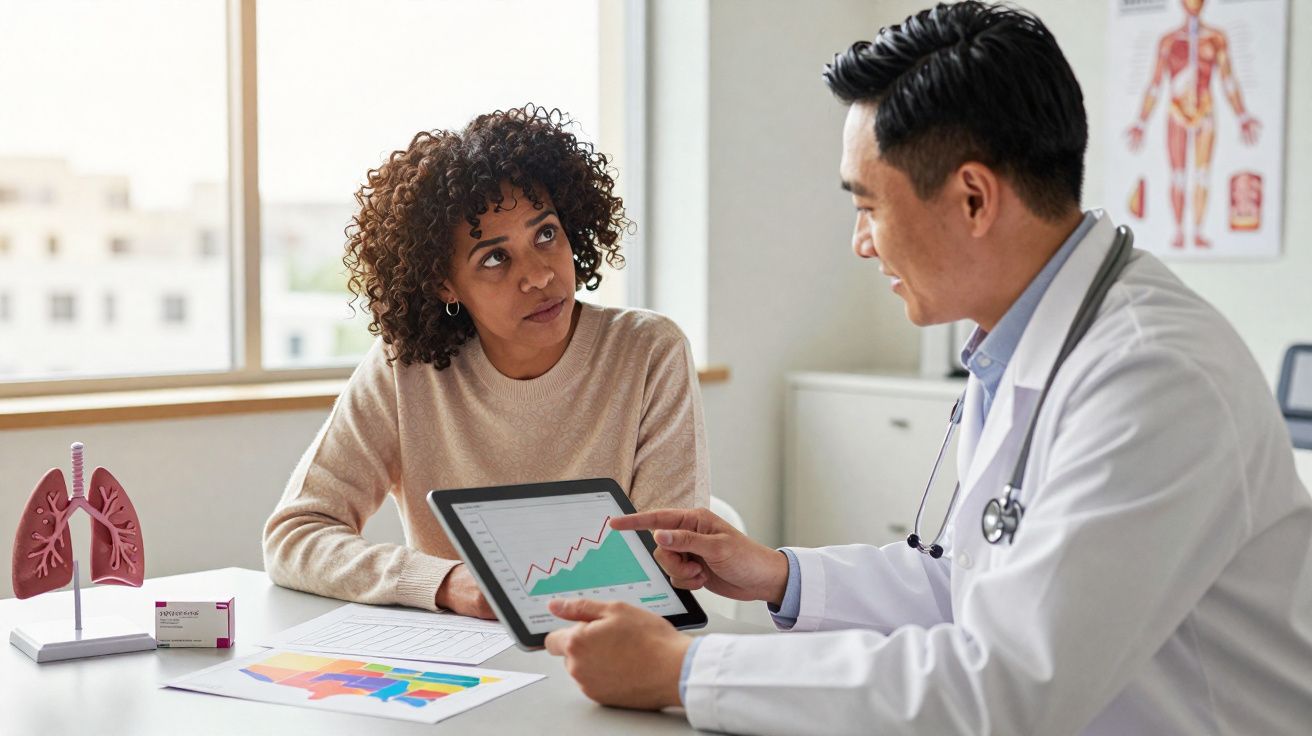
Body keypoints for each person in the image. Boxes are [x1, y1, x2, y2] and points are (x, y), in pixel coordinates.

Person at [542, 4, 1312, 733]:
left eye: (867, 206)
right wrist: (778, 574)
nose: (861, 242)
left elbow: (1004, 685)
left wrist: (683, 668)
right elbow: (973, 588)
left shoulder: (1152, 379)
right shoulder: (1023, 343)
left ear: (973, 198)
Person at [263, 105, 709, 619]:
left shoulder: (649, 352)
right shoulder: (406, 367)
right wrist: (448, 582)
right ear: (443, 283)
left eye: (546, 234)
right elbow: (296, 535)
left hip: (614, 644)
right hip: (463, 663)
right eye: (496, 258)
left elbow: (667, 564)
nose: (539, 276)